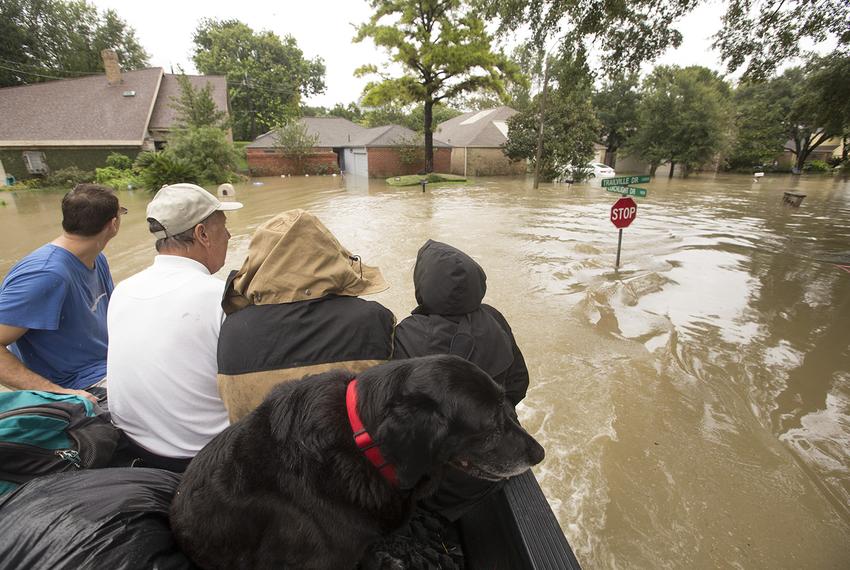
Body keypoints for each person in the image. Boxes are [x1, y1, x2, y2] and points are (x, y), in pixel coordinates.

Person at [106, 183, 242, 472]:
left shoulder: (124, 289)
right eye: (223, 227)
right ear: (202, 234)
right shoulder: (219, 298)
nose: (229, 235)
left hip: (134, 446)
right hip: (202, 460)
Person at [393, 239, 530, 521]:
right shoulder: (495, 319)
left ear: (422, 285)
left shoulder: (406, 333)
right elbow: (518, 384)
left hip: (436, 490)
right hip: (496, 464)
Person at [217, 209, 395, 422]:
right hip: (348, 454)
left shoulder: (232, 330)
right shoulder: (372, 318)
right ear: (329, 255)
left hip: (261, 454)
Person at [0, 184, 125, 404]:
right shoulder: (45, 274)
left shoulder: (96, 258)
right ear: (113, 224)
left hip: (111, 365)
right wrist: (57, 393)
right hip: (81, 387)